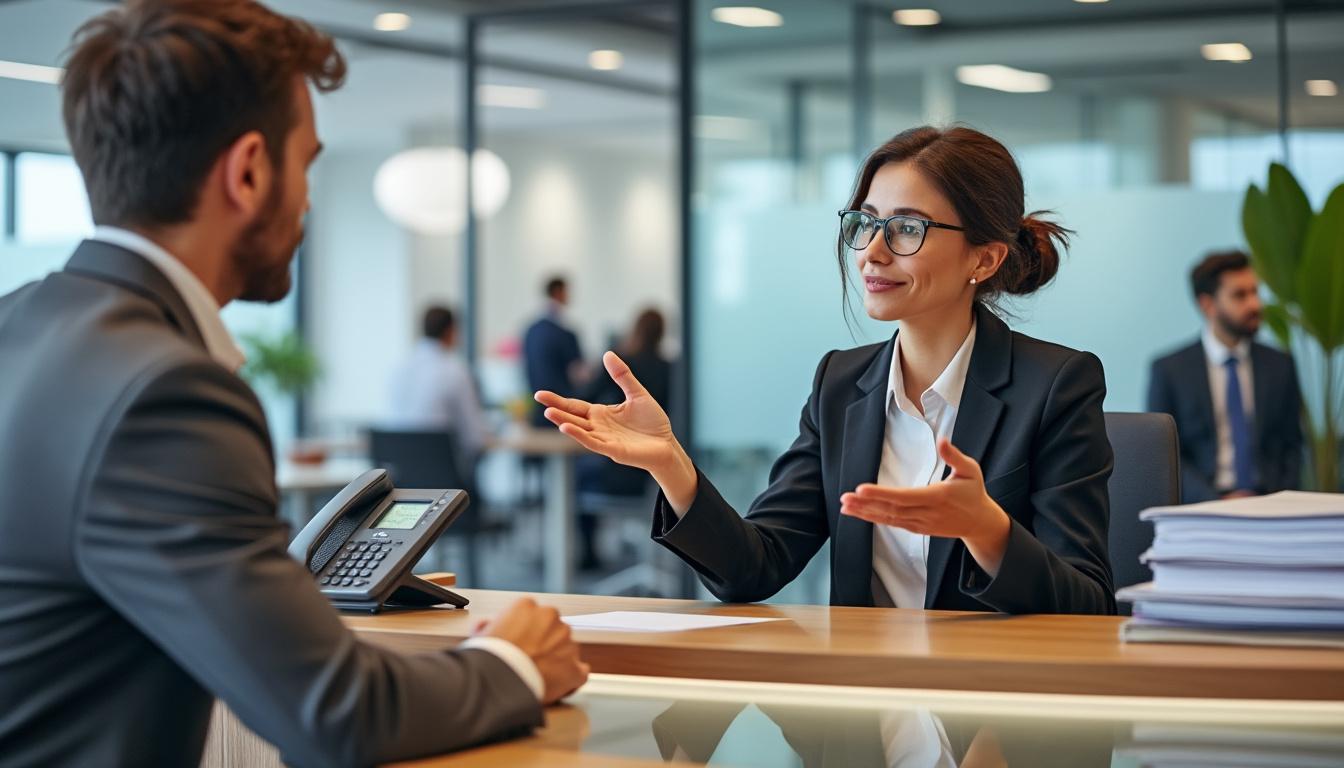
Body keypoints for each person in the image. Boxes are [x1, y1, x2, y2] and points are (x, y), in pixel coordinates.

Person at [0, 3, 586, 767]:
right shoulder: (163, 392)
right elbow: (335, 714)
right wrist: (514, 662)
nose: (308, 199)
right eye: (307, 163)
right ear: (248, 171)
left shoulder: (19, 326)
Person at [538, 125, 1115, 615]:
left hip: (998, 722)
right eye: (866, 223)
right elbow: (754, 568)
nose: (871, 253)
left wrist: (988, 529)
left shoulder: (1056, 385)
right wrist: (670, 462)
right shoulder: (841, 385)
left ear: (984, 258)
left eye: (907, 229)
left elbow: (1091, 605)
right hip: (861, 716)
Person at [1147, 250, 1302, 503]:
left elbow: (1292, 445)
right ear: (1208, 304)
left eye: (1255, 292)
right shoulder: (1169, 370)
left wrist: (1278, 500)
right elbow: (1164, 455)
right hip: (1202, 506)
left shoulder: (1280, 365)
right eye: (1240, 295)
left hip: (1271, 503)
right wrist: (1215, 501)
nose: (1255, 304)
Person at [574, 308, 673, 569]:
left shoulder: (623, 364)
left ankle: (588, 554)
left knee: (574, 476)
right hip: (657, 476)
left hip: (617, 467)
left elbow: (585, 396)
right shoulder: (670, 368)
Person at [387, 305, 491, 477]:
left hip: (401, 481)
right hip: (445, 486)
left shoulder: (398, 367)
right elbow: (475, 439)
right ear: (451, 331)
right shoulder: (455, 370)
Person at [523, 276, 584, 428]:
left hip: (537, 405)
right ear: (559, 292)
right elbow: (578, 373)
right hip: (563, 407)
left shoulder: (531, 330)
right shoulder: (565, 333)